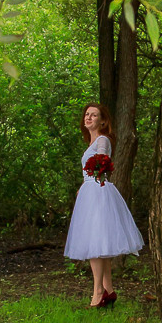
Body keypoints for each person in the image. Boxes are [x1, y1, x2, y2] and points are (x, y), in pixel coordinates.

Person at [63, 101, 144, 307]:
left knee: (95, 243)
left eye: (94, 115)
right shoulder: (92, 143)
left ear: (103, 121)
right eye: (87, 114)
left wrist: (92, 177)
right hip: (90, 191)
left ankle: (97, 292)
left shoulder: (102, 141)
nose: (88, 117)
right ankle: (108, 289)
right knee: (98, 242)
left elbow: (103, 164)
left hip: (98, 192)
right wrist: (84, 184)